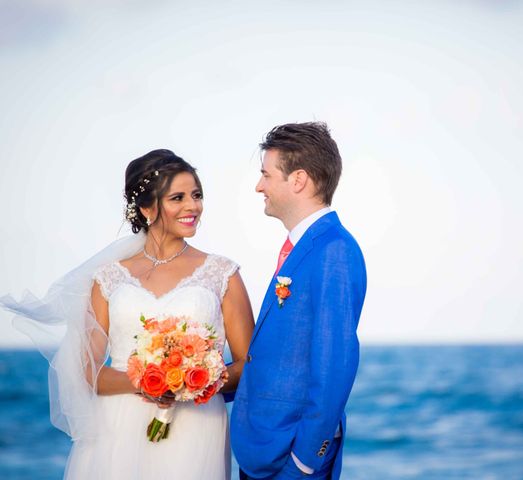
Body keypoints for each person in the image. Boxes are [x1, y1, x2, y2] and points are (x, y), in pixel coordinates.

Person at [1, 149, 254, 479]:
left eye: (197, 195)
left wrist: (201, 380)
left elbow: (247, 364)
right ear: (147, 208)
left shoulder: (222, 272)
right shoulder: (109, 277)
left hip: (197, 425)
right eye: (178, 197)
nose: (193, 206)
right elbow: (88, 370)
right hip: (117, 427)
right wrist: (145, 384)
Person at [230, 122, 367, 479]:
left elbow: (335, 364)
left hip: (292, 458)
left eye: (266, 175)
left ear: (298, 180)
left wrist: (306, 460)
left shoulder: (333, 249)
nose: (259, 186)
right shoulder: (304, 247)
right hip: (264, 450)